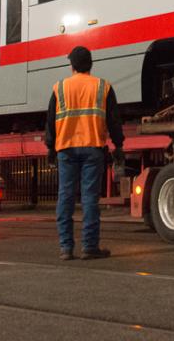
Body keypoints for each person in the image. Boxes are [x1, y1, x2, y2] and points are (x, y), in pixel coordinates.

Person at [46, 45, 124, 261]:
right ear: (90, 64)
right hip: (93, 148)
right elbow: (114, 121)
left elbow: (51, 121)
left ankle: (66, 248)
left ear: (71, 65)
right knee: (90, 199)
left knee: (66, 197)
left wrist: (50, 147)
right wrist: (119, 145)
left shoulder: (60, 87)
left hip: (66, 149)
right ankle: (89, 247)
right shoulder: (102, 87)